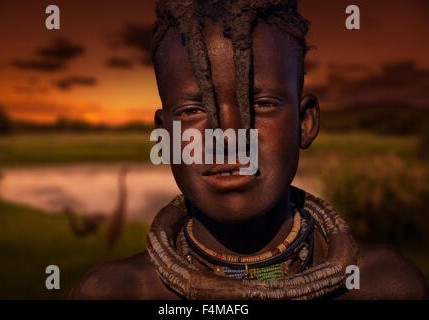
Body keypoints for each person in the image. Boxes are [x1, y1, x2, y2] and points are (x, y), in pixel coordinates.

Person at [70, 0, 428, 299]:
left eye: (261, 105)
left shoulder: (385, 287)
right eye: (193, 111)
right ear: (165, 137)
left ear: (305, 122)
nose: (228, 136)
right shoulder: (117, 293)